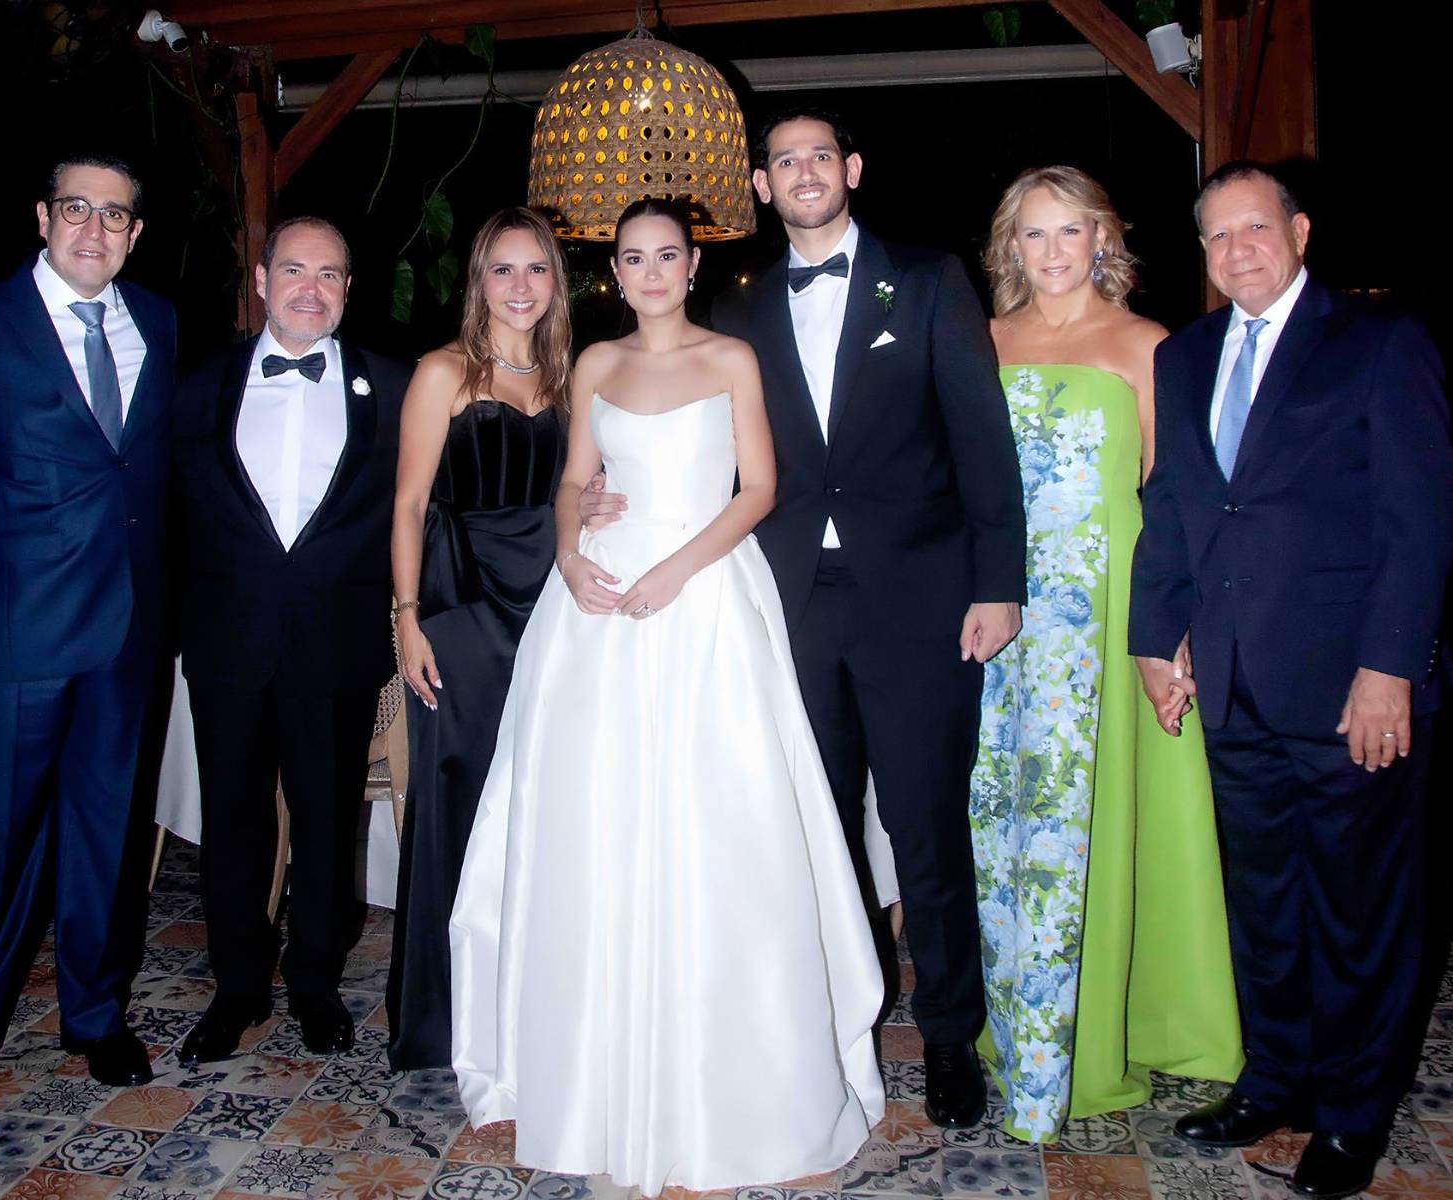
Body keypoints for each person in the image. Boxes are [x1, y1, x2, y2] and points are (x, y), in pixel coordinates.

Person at [587, 109, 1028, 1128]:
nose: (802, 172)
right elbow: (685, 427)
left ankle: (952, 1035)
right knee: (808, 829)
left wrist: (996, 582)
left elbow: (981, 439)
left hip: (918, 599)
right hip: (781, 603)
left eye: (818, 156)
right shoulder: (735, 301)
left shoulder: (924, 278)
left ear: (851, 169)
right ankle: (834, 1024)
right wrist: (599, 494)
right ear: (759, 182)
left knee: (924, 822)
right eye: (783, 161)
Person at [450, 198, 884, 1193]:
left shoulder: (731, 359)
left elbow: (759, 489)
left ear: (693, 267)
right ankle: (591, 1066)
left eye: (666, 257)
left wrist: (678, 570)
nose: (649, 272)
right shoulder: (595, 365)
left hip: (704, 594)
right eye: (631, 257)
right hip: (597, 607)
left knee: (718, 822)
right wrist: (569, 551)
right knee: (596, 821)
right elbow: (575, 484)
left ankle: (731, 1073)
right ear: (615, 270)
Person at [1130, 160, 1453, 1199]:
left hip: (1350, 689)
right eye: (1217, 237)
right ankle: (1275, 1079)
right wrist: (1151, 637)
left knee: (1362, 914)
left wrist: (1389, 669)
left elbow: (1419, 524)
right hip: (1231, 685)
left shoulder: (1379, 343)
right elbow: (1173, 508)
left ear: (1299, 230)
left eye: (1255, 228)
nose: (1237, 251)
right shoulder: (1182, 358)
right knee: (1263, 905)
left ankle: (1354, 1117)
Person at [966, 165, 1242, 1141]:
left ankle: (1104, 1032)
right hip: (1004, 615)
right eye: (1031, 235)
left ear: (1099, 239)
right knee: (1006, 823)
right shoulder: (982, 343)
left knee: (1101, 819)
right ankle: (1025, 1023)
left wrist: (1168, 630)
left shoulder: (1146, 344)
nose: (1049, 253)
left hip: (1110, 607)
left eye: (1067, 232)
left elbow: (1176, 502)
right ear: (1011, 247)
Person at [0, 154, 175, 1127]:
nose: (93, 230)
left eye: (115, 214)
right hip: (11, 639)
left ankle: (94, 1017)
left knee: (104, 838)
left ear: (135, 233)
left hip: (125, 638)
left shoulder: (158, 321)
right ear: (41, 217)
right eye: (76, 209)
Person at [172, 216, 409, 1066]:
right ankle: (237, 989)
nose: (311, 289)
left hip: (337, 647)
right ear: (263, 280)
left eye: (331, 275)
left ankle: (313, 985)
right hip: (228, 645)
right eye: (295, 271)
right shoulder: (196, 387)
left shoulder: (394, 385)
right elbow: (168, 520)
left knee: (325, 823)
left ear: (349, 289)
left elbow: (449, 497)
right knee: (234, 824)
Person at [385, 208, 569, 1070]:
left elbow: (584, 491)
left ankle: (536, 1014)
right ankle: (444, 1022)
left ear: (555, 283)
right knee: (456, 806)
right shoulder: (442, 373)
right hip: (461, 614)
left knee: (546, 813)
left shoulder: (576, 379)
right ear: (478, 282)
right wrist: (406, 617)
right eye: (503, 270)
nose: (520, 286)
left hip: (556, 618)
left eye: (536, 269)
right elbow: (410, 504)